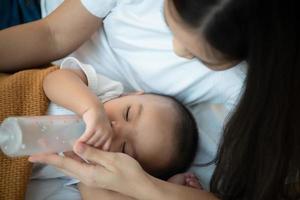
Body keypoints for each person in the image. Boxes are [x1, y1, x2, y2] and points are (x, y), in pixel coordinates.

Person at [2, 0, 298, 200]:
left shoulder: (257, 109)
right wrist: (90, 106)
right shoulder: (99, 91)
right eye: (171, 21)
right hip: (32, 28)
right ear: (130, 95)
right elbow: (52, 34)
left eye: (198, 53)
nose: (177, 49)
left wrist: (142, 187)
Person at [25, 56, 200, 199]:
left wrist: (166, 190)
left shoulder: (85, 170)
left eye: (124, 148)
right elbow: (54, 80)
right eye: (128, 113)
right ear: (130, 95)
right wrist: (90, 107)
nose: (115, 128)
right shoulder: (103, 92)